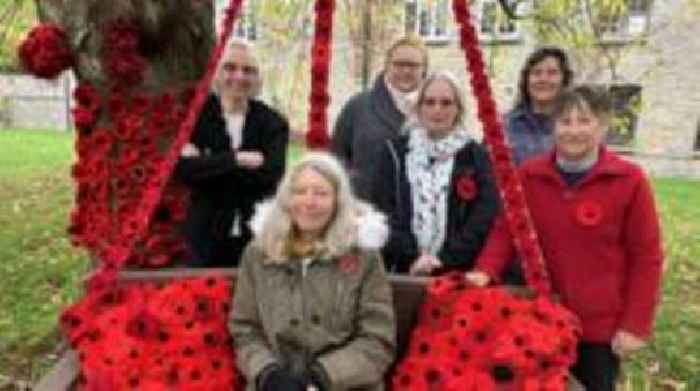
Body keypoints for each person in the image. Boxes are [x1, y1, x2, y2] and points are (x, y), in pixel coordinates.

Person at [466, 86, 664, 390]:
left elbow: (646, 257)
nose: (573, 130)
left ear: (602, 126)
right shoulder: (530, 176)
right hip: (540, 316)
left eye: (584, 121)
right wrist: (485, 270)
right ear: (553, 126)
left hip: (598, 329)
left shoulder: (629, 181)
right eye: (565, 121)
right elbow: (506, 230)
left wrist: (635, 325)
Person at [230, 152, 396, 391]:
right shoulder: (258, 253)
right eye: (300, 191)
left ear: (337, 201)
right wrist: (267, 373)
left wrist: (322, 377)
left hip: (344, 385)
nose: (309, 202)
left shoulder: (363, 256)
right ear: (287, 198)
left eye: (321, 193)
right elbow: (245, 331)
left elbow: (377, 340)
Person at [372, 71, 500, 275]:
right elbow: (384, 210)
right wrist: (413, 257)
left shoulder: (477, 157)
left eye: (446, 103)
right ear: (418, 107)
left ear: (458, 109)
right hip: (402, 270)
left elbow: (483, 216)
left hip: (458, 271)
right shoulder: (394, 153)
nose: (437, 110)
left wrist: (443, 261)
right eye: (429, 102)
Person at [175, 39, 290, 267]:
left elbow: (270, 176)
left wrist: (207, 164)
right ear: (216, 72)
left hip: (257, 234)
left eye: (248, 70)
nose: (239, 76)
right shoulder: (195, 117)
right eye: (230, 67)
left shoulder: (272, 123)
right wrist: (236, 159)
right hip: (204, 236)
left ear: (257, 78)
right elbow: (182, 171)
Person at [332, 35, 428, 200]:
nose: (406, 71)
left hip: (421, 211)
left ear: (424, 69)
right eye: (399, 64)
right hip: (367, 210)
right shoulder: (359, 107)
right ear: (387, 66)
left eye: (413, 65)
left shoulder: (438, 108)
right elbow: (336, 158)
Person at [505, 46, 573, 166]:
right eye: (537, 73)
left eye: (552, 73)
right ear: (526, 80)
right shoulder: (504, 126)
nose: (543, 79)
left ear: (564, 80)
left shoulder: (577, 127)